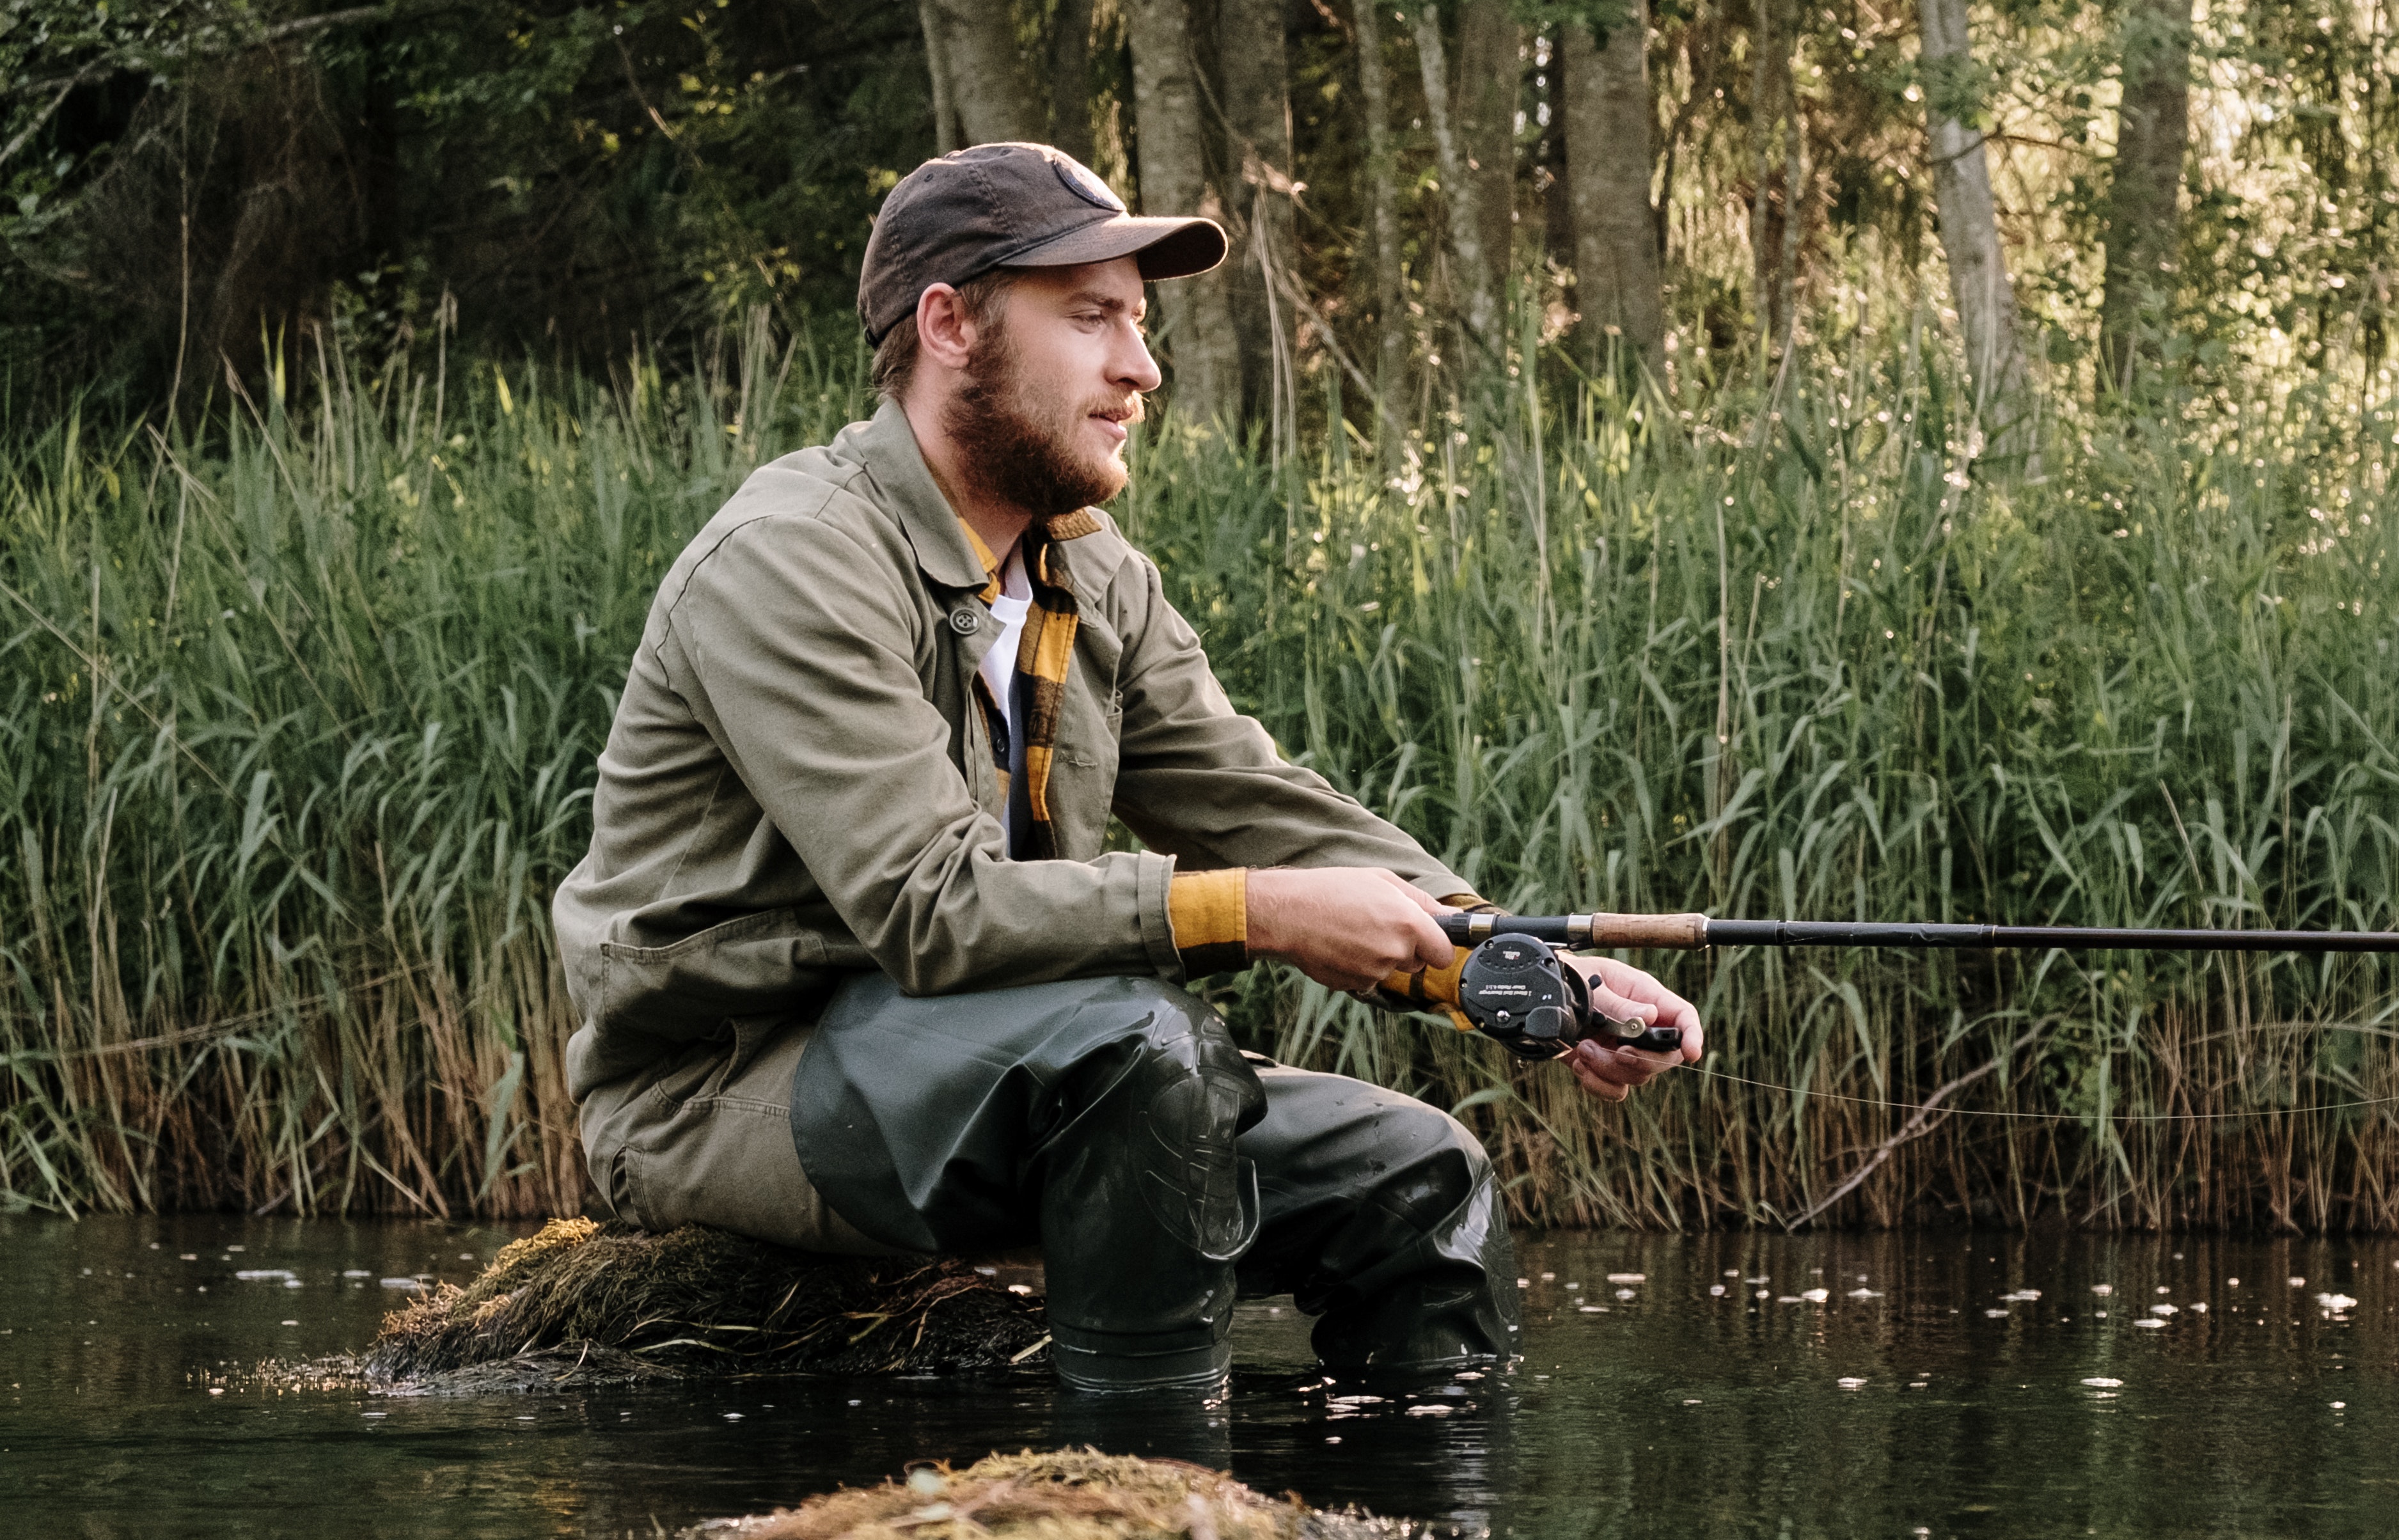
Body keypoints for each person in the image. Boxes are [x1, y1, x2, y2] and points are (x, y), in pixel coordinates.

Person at [551, 141, 1699, 1395]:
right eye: (1092, 318)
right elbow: (930, 910)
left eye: (1139, 324)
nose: (1141, 370)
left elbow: (1257, 806)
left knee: (1418, 1177)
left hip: (1014, 1067)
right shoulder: (790, 560)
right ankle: (1146, 1510)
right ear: (948, 325)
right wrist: (1261, 917)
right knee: (1142, 1048)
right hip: (727, 1087)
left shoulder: (1093, 576)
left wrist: (1517, 968)